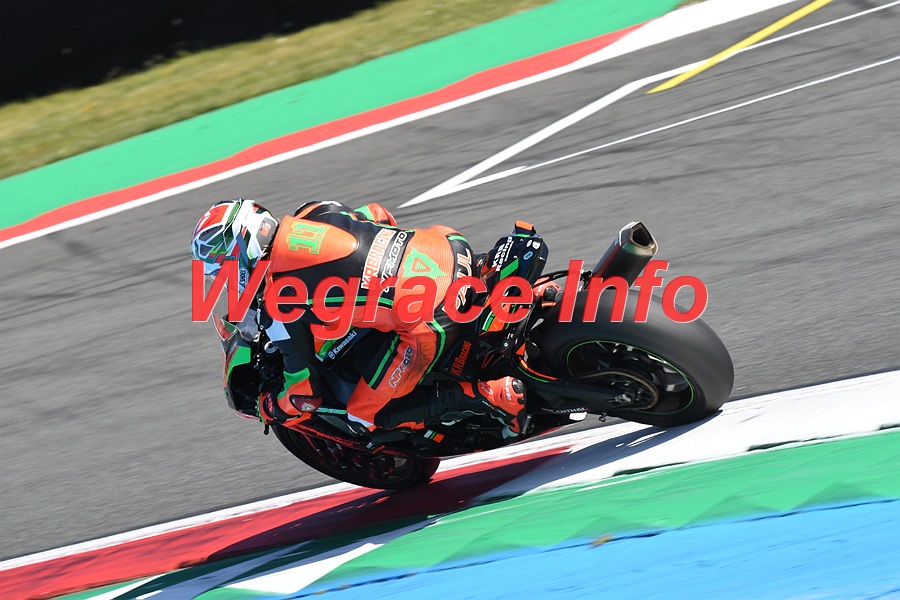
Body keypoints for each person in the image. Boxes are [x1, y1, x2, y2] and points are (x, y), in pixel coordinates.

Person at [191, 198, 528, 440]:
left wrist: (270, 407)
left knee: (364, 414)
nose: (225, 282)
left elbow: (303, 394)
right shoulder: (313, 211)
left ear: (241, 253)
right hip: (449, 248)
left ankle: (490, 396)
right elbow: (379, 214)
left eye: (222, 272)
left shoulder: (278, 302)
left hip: (432, 318)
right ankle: (526, 291)